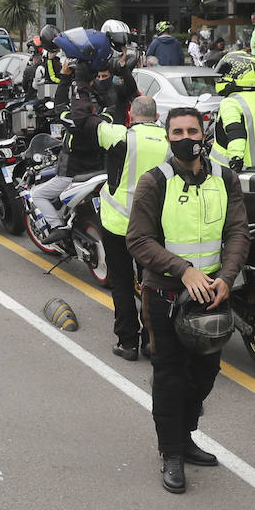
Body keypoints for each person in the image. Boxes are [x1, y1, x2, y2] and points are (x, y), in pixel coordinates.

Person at [127, 107, 249, 492]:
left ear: (203, 133)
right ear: (167, 138)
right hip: (165, 294)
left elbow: (238, 232)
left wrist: (226, 278)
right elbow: (138, 240)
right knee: (170, 375)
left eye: (191, 130)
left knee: (205, 373)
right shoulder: (154, 182)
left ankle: (186, 435)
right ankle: (171, 453)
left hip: (211, 295)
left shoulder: (225, 179)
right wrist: (183, 270)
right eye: (176, 131)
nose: (185, 137)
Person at [82, 94, 168, 360]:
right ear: (156, 117)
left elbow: (88, 122)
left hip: (118, 225)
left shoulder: (122, 136)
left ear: (131, 115)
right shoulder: (169, 141)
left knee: (121, 283)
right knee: (152, 284)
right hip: (153, 227)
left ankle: (127, 343)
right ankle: (152, 344)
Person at [29, 60, 109, 243]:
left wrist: (65, 77)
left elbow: (59, 106)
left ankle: (58, 226)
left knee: (38, 195)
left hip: (73, 172)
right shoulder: (105, 114)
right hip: (99, 168)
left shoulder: (77, 120)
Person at [209, 52, 255, 172]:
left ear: (241, 74)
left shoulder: (230, 102)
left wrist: (235, 160)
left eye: (226, 73)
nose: (222, 77)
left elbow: (235, 133)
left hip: (226, 170)